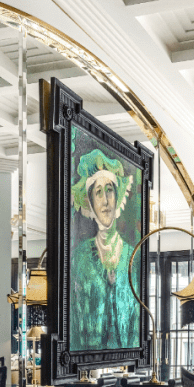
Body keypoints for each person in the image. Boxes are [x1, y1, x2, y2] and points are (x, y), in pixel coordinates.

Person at [69, 148, 141, 352]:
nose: (105, 201)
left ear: (117, 197)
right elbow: (74, 319)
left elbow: (137, 317)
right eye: (98, 192)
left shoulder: (133, 256)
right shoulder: (79, 257)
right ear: (90, 202)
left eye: (109, 190)